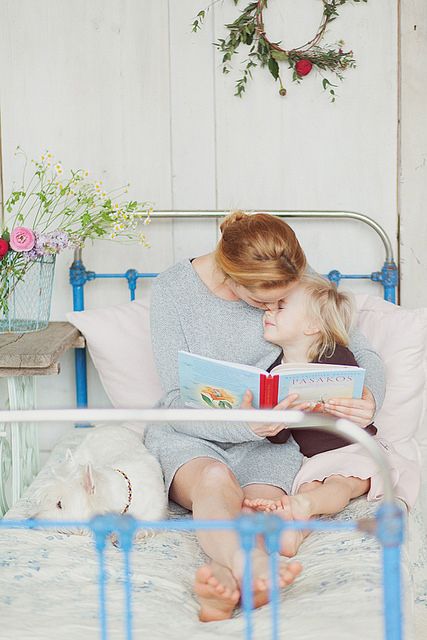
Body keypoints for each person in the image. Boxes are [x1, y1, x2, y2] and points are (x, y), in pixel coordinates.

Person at [144, 211, 385, 622]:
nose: (273, 307)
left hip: (271, 441)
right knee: (214, 481)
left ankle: (225, 584)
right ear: (231, 276)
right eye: (262, 302)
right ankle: (253, 569)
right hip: (192, 434)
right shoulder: (174, 290)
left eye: (281, 302)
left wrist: (369, 396)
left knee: (264, 510)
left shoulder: (287, 271)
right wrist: (245, 424)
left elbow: (361, 350)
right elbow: (173, 402)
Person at [242, 273, 380, 555]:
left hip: (354, 447)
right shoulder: (275, 373)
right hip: (314, 459)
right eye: (269, 306)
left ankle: (304, 506)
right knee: (309, 488)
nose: (268, 311)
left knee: (340, 484)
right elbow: (279, 438)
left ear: (313, 325)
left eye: (281, 307)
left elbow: (354, 400)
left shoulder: (336, 357)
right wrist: (272, 421)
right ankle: (293, 531)